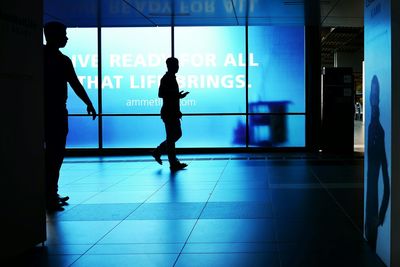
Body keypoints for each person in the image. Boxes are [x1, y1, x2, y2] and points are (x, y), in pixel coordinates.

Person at [43, 21, 97, 212]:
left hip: (42, 112)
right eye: (64, 34)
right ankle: (49, 193)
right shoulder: (62, 60)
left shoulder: (37, 57)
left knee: (50, 155)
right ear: (54, 36)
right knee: (55, 154)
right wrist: (88, 103)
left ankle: (48, 192)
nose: (67, 37)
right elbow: (74, 83)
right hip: (56, 112)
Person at [365, 75, 390, 251]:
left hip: (373, 210)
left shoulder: (379, 132)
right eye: (371, 96)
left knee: (372, 242)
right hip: (370, 206)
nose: (373, 100)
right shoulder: (371, 128)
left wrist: (380, 216)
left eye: (375, 96)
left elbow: (387, 182)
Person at [152, 57, 189, 172]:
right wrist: (177, 95)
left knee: (174, 136)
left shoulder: (170, 78)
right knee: (173, 137)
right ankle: (172, 162)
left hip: (171, 113)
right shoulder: (167, 78)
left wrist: (177, 97)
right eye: (176, 65)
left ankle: (159, 152)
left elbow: (168, 96)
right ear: (170, 66)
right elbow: (161, 94)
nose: (178, 67)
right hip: (169, 113)